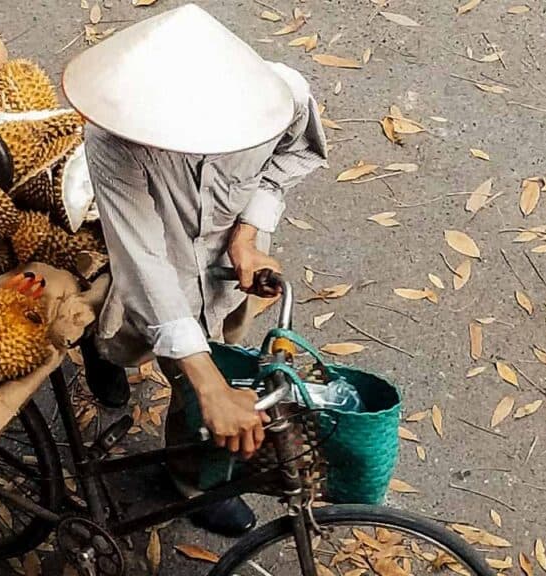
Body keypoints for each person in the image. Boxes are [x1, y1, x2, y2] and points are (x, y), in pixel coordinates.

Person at [62, 4, 327, 536]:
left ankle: (189, 482)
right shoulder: (114, 140)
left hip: (226, 270)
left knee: (219, 365)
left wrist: (247, 234)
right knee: (172, 358)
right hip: (159, 260)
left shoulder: (283, 97)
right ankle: (100, 348)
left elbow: (290, 157)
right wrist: (208, 385)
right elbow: (144, 261)